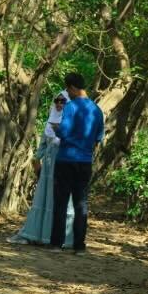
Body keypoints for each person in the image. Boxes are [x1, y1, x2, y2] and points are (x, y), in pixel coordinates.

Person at [50, 71, 104, 253]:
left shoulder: (71, 107)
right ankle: (79, 246)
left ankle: (57, 243)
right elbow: (98, 137)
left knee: (61, 202)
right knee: (81, 203)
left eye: (67, 89)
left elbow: (64, 131)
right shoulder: (97, 110)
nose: (67, 93)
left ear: (73, 87)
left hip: (66, 159)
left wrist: (56, 129)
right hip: (85, 161)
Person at [12, 92, 74, 246]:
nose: (59, 104)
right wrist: (36, 159)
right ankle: (37, 235)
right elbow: (43, 146)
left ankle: (61, 239)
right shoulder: (50, 122)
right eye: (57, 101)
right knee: (45, 199)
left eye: (63, 101)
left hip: (64, 164)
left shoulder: (73, 122)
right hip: (47, 167)